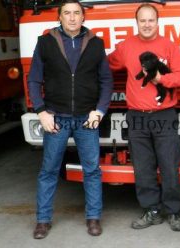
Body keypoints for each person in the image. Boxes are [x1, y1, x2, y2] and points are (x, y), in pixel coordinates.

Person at [27, 0, 113, 238]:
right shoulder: (45, 43)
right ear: (60, 17)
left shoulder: (96, 44)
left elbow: (106, 81)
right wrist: (41, 111)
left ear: (83, 17)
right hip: (56, 118)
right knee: (49, 170)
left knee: (92, 171)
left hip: (87, 119)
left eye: (77, 13)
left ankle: (93, 218)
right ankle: (43, 221)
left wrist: (100, 110)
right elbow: (34, 79)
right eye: (67, 13)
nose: (72, 17)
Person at [108, 3, 180, 232]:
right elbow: (105, 65)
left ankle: (174, 212)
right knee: (143, 168)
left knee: (169, 165)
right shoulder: (126, 47)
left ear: (157, 22)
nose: (146, 24)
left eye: (151, 20)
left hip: (164, 115)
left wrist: (161, 80)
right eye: (142, 20)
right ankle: (151, 211)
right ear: (137, 22)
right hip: (136, 116)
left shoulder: (169, 46)